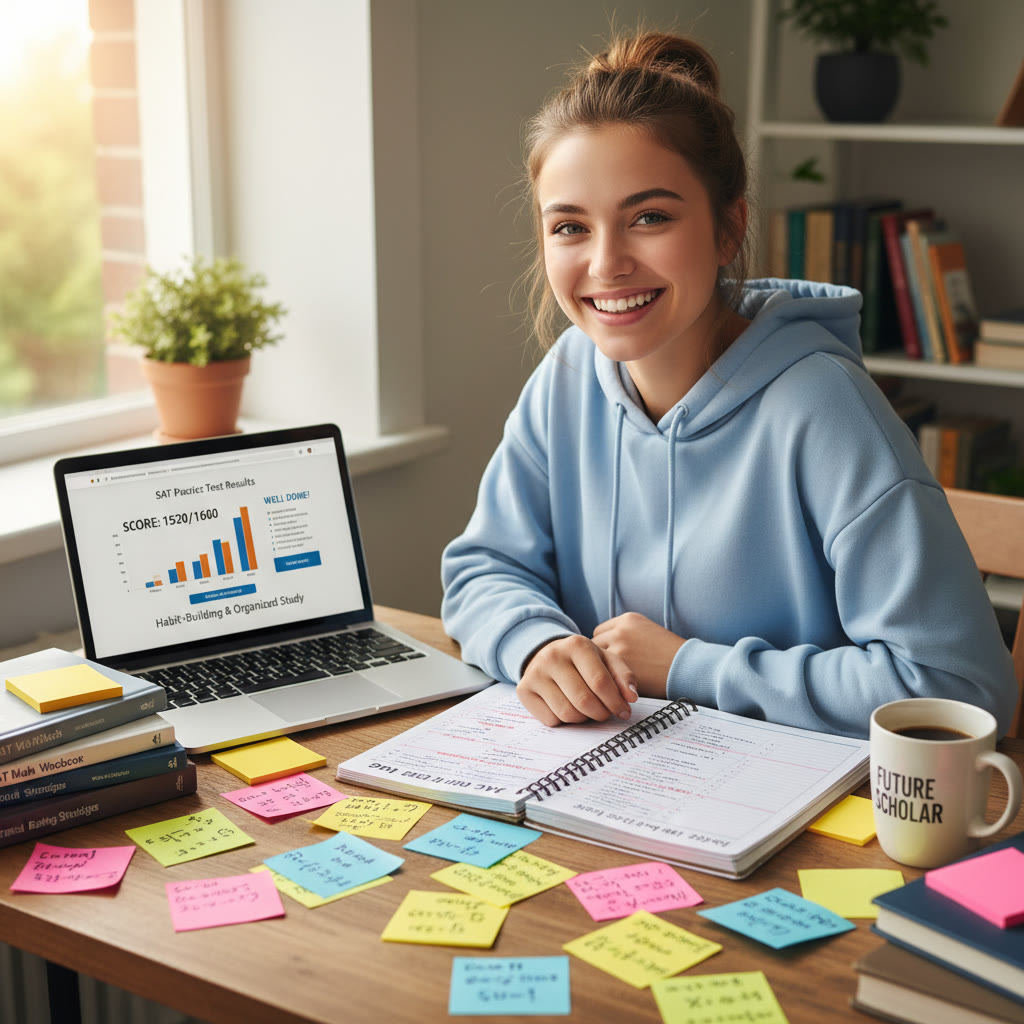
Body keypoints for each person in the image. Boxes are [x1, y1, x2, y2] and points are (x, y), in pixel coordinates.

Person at [440, 30, 1018, 738]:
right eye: (569, 227)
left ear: (727, 228)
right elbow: (482, 569)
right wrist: (535, 642)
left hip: (812, 823)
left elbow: (960, 686)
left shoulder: (825, 409)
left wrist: (689, 667)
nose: (606, 263)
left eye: (649, 217)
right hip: (610, 797)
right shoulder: (564, 380)